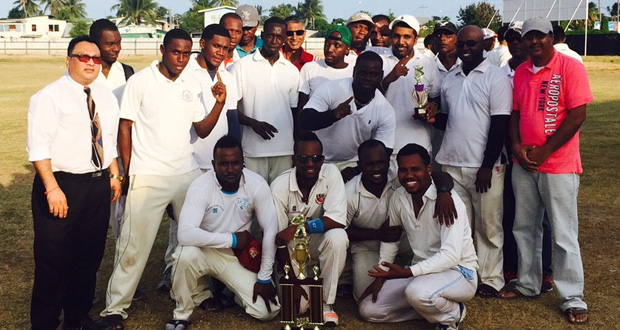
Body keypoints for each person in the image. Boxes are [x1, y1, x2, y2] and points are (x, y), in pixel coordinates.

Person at [93, 29, 219, 330]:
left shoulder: (190, 83)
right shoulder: (140, 81)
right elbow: (125, 128)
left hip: (185, 172)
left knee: (192, 236)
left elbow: (200, 130)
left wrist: (217, 103)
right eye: (176, 52)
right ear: (163, 49)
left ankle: (197, 292)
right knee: (134, 243)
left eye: (186, 53)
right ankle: (116, 307)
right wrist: (129, 170)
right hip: (148, 172)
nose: (181, 59)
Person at [499, 17, 592, 325]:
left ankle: (572, 297)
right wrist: (516, 148)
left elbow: (577, 115)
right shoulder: (522, 71)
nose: (534, 42)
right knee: (524, 228)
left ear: (552, 37)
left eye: (540, 36)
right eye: (529, 37)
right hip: (524, 164)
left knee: (564, 233)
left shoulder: (570, 67)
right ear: (523, 41)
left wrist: (544, 151)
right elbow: (515, 113)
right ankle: (528, 284)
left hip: (558, 165)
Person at [27, 35, 122, 330]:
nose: (91, 63)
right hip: (61, 185)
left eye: (96, 58)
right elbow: (39, 148)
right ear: (68, 60)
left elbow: (107, 138)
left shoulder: (104, 95)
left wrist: (114, 173)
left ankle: (78, 319)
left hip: (97, 185)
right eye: (83, 57)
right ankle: (44, 323)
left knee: (88, 257)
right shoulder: (49, 96)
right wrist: (52, 188)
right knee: (53, 261)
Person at [358, 144, 478, 330]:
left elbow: (451, 256)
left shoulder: (448, 201)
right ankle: (429, 309)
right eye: (403, 170)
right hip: (420, 273)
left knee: (417, 292)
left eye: (415, 169)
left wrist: (407, 273)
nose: (409, 175)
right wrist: (381, 276)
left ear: (428, 169)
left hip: (459, 273)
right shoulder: (399, 197)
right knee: (369, 309)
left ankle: (453, 314)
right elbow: (392, 238)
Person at [166, 136, 280, 330]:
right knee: (184, 255)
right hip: (203, 251)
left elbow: (270, 229)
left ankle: (230, 292)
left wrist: (264, 276)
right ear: (213, 164)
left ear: (243, 162)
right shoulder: (201, 186)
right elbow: (185, 234)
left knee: (268, 311)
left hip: (236, 257)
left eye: (235, 163)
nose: (230, 169)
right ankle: (182, 314)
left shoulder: (257, 184)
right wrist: (232, 239)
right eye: (223, 164)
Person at [434, 25, 512, 298]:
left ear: (484, 46)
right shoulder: (450, 78)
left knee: (489, 226)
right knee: (460, 227)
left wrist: (487, 165)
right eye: (462, 45)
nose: (466, 49)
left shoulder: (496, 77)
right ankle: (465, 277)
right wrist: (429, 117)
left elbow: (500, 124)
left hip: (484, 167)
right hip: (451, 162)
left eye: (472, 44)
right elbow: (449, 119)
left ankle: (491, 279)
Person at [346, 139, 457, 301]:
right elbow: (342, 231)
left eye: (381, 163)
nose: (376, 168)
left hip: (406, 241)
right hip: (367, 247)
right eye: (370, 164)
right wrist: (377, 234)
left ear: (388, 162)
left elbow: (437, 175)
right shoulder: (349, 192)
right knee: (366, 300)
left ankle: (425, 293)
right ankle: (414, 294)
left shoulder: (400, 176)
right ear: (360, 165)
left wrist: (444, 190)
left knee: (429, 266)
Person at [270, 132, 348, 327]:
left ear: (323, 159)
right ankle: (305, 286)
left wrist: (299, 227)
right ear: (293, 159)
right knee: (298, 309)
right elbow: (279, 240)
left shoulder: (331, 174)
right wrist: (294, 283)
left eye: (316, 158)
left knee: (338, 237)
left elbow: (337, 220)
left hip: (318, 240)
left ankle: (326, 305)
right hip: (291, 249)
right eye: (304, 159)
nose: (310, 164)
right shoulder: (280, 185)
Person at [499, 21, 555, 292]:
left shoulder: (545, 69)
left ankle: (544, 270)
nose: (518, 43)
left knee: (542, 217)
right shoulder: (502, 73)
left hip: (541, 157)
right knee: (514, 214)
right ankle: (515, 266)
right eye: (513, 38)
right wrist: (514, 147)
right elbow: (511, 116)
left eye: (522, 38)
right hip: (511, 155)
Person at [299, 51, 396, 182]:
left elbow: (385, 151)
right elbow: (304, 120)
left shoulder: (385, 109)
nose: (367, 78)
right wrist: (332, 115)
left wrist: (356, 170)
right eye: (363, 73)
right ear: (354, 71)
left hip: (353, 163)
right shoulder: (331, 89)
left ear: (381, 76)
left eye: (373, 74)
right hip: (319, 161)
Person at [229, 17, 299, 184]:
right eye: (270, 36)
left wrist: (296, 148)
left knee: (280, 201)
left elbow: (295, 111)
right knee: (252, 200)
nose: (274, 41)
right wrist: (252, 123)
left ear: (284, 39)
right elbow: (230, 108)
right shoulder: (242, 66)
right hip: (252, 151)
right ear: (262, 35)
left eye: (279, 37)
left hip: (284, 150)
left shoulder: (291, 70)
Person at [378, 15, 441, 167]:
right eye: (396, 36)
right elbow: (368, 97)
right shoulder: (379, 61)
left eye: (407, 37)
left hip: (419, 144)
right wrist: (389, 78)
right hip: (385, 144)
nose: (401, 42)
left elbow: (435, 99)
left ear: (416, 38)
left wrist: (431, 109)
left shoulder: (428, 64)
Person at [186, 24, 240, 170]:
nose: (220, 53)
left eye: (225, 49)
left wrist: (236, 156)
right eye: (216, 46)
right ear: (202, 43)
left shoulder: (228, 78)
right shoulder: (185, 73)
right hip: (190, 162)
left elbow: (232, 119)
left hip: (219, 164)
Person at [297, 25, 353, 111]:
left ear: (347, 50)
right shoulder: (310, 68)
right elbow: (301, 107)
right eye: (327, 44)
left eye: (337, 45)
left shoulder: (353, 73)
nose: (330, 49)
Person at [90, 18, 134, 102]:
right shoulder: (81, 73)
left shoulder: (129, 73)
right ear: (95, 43)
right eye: (110, 44)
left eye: (118, 43)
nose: (117, 49)